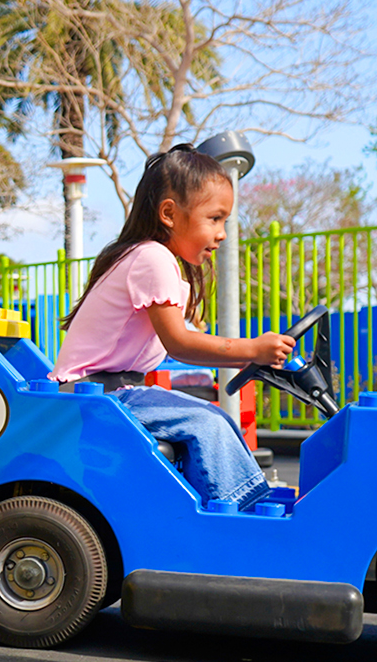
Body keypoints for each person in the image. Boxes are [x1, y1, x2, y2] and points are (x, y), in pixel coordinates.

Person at [51, 144, 294, 508]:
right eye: (214, 219)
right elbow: (180, 344)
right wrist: (252, 349)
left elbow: (189, 337)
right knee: (209, 423)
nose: (223, 233)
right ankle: (241, 517)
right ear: (169, 213)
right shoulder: (152, 258)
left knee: (218, 420)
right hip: (95, 395)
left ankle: (231, 508)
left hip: (107, 392)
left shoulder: (147, 258)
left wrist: (249, 357)